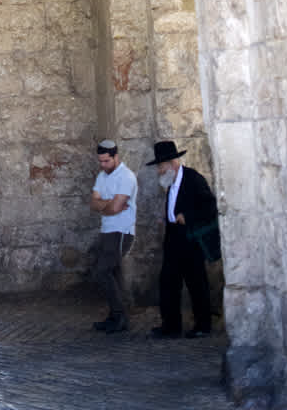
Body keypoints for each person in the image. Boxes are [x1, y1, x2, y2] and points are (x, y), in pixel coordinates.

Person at [146, 139, 220, 339]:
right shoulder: (171, 183)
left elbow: (210, 207)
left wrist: (187, 216)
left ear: (172, 163)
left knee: (196, 283)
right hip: (173, 238)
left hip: (190, 239)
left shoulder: (193, 179)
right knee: (168, 282)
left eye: (161, 166)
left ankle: (203, 326)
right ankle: (171, 325)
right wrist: (167, 217)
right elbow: (174, 206)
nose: (159, 171)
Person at [90, 139, 138, 334]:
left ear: (116, 157)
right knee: (114, 274)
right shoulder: (102, 176)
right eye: (100, 161)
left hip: (121, 231)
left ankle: (120, 317)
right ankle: (117, 317)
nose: (103, 165)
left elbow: (117, 208)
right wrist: (108, 204)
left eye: (107, 161)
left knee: (103, 272)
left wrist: (105, 204)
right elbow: (93, 204)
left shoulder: (126, 177)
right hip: (107, 230)